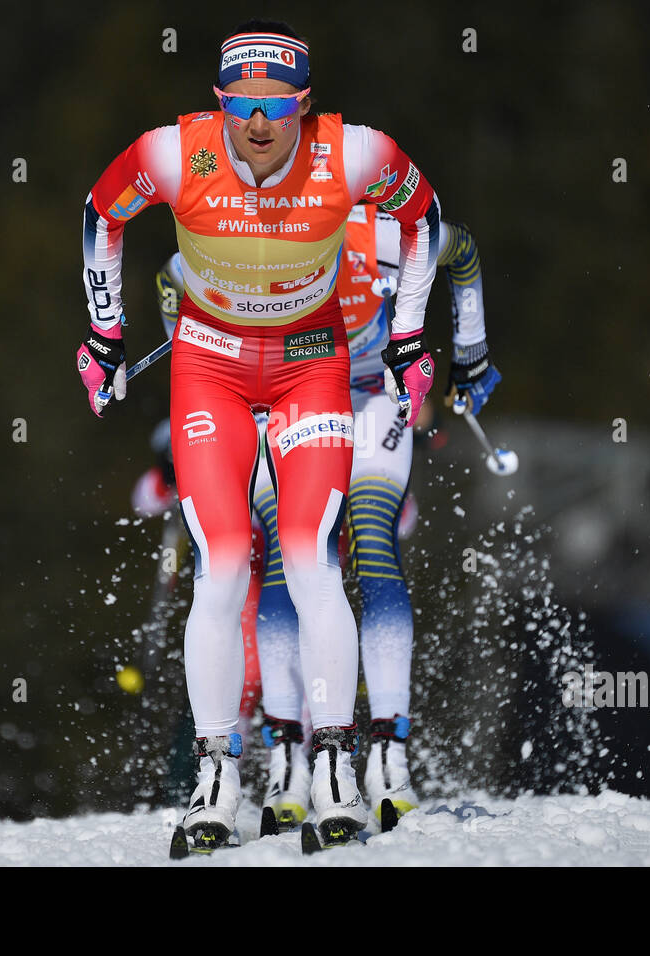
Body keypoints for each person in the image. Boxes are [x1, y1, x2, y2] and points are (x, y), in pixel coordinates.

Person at [78, 19, 442, 848]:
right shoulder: (175, 154)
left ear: (306, 106)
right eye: (241, 103)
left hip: (312, 362)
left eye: (277, 106)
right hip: (209, 367)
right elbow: (102, 213)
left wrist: (412, 333)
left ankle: (335, 768)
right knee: (227, 564)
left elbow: (425, 221)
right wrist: (104, 334)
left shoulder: (353, 154)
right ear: (219, 103)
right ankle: (216, 775)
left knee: (314, 559)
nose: (258, 123)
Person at [155, 207, 501, 827]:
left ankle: (387, 760)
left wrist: (470, 351)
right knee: (289, 556)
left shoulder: (379, 234)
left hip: (367, 397)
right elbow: (171, 278)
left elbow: (464, 251)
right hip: (280, 396)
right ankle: (288, 756)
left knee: (371, 540)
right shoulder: (243, 239)